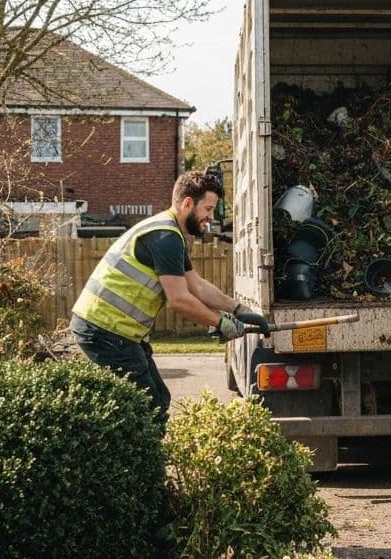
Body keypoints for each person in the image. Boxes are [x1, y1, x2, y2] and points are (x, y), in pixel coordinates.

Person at [70, 170, 269, 425]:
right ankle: (141, 463)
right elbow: (180, 299)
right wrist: (221, 322)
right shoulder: (165, 237)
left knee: (156, 401)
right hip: (103, 330)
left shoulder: (170, 232)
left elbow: (196, 284)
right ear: (188, 203)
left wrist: (238, 308)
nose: (210, 217)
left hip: (115, 331)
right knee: (146, 409)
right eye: (207, 208)